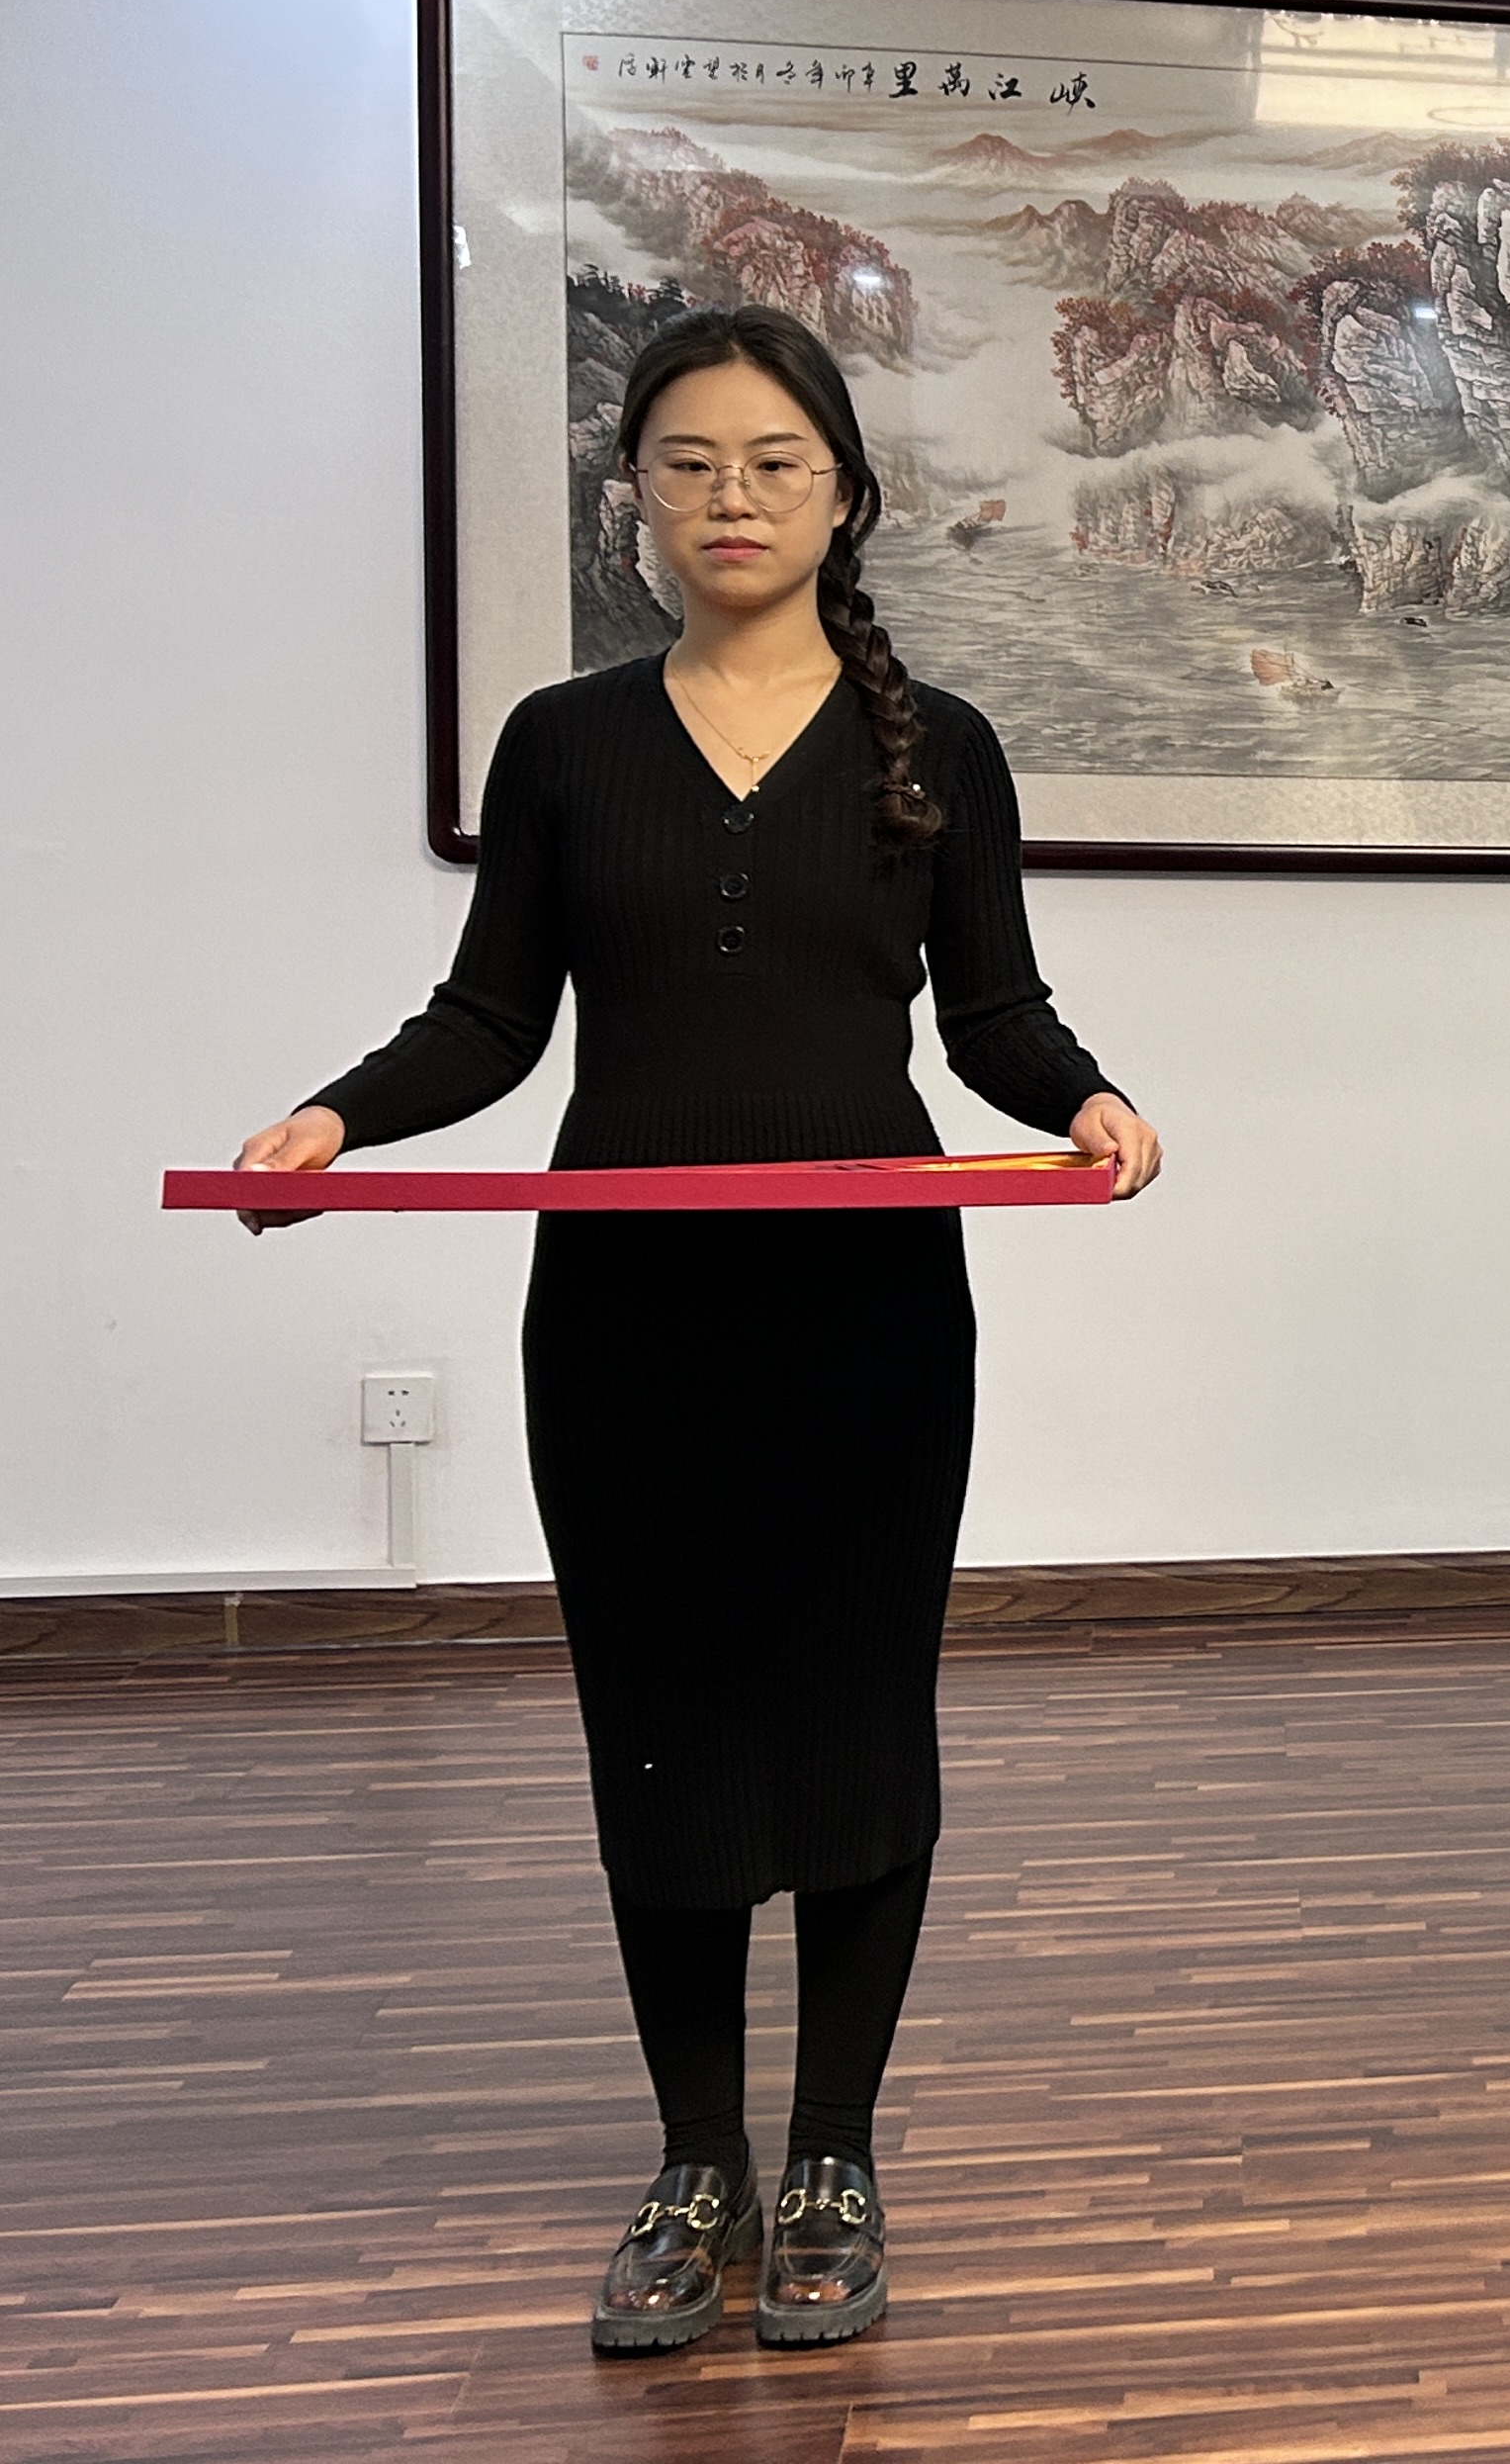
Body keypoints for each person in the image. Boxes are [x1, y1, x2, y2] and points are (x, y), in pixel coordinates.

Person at [229, 305, 1161, 2353]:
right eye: (686, 463)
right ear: (634, 496)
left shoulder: (943, 747)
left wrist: (1088, 1095)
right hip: (627, 1319)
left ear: (845, 496)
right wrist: (336, 1118)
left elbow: (992, 1012)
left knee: (858, 1713)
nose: (730, 498)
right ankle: (693, 2159)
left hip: (870, 1312)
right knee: (657, 1725)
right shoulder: (564, 743)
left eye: (773, 462)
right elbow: (492, 1018)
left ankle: (831, 2156)